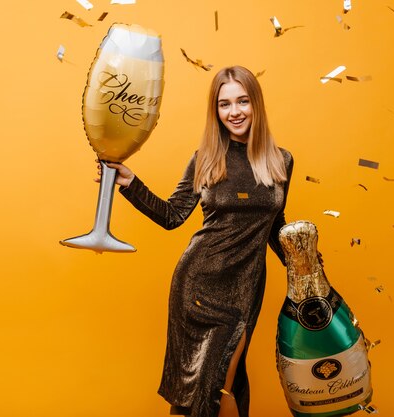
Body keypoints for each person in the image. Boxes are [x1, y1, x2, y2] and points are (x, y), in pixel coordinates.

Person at [105, 66, 293, 417]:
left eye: (242, 101)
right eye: (224, 104)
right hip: (197, 286)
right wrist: (132, 183)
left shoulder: (280, 161)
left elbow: (274, 227)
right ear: (216, 111)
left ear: (256, 105)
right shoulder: (206, 158)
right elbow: (172, 216)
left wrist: (310, 272)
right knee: (201, 389)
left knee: (223, 384)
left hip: (245, 292)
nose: (234, 112)